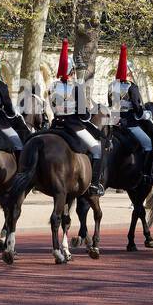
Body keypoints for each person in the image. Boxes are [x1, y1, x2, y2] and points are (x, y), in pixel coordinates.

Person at [48, 39, 106, 196]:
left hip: (56, 124)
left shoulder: (52, 86)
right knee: (97, 148)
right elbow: (84, 115)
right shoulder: (75, 87)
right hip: (73, 126)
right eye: (73, 71)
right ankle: (94, 185)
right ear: (72, 71)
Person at [107, 44, 153, 185]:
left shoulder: (111, 86)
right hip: (129, 124)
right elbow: (137, 109)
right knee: (148, 144)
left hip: (114, 123)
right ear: (129, 72)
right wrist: (146, 115)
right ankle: (148, 174)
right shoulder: (132, 87)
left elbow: (110, 103)